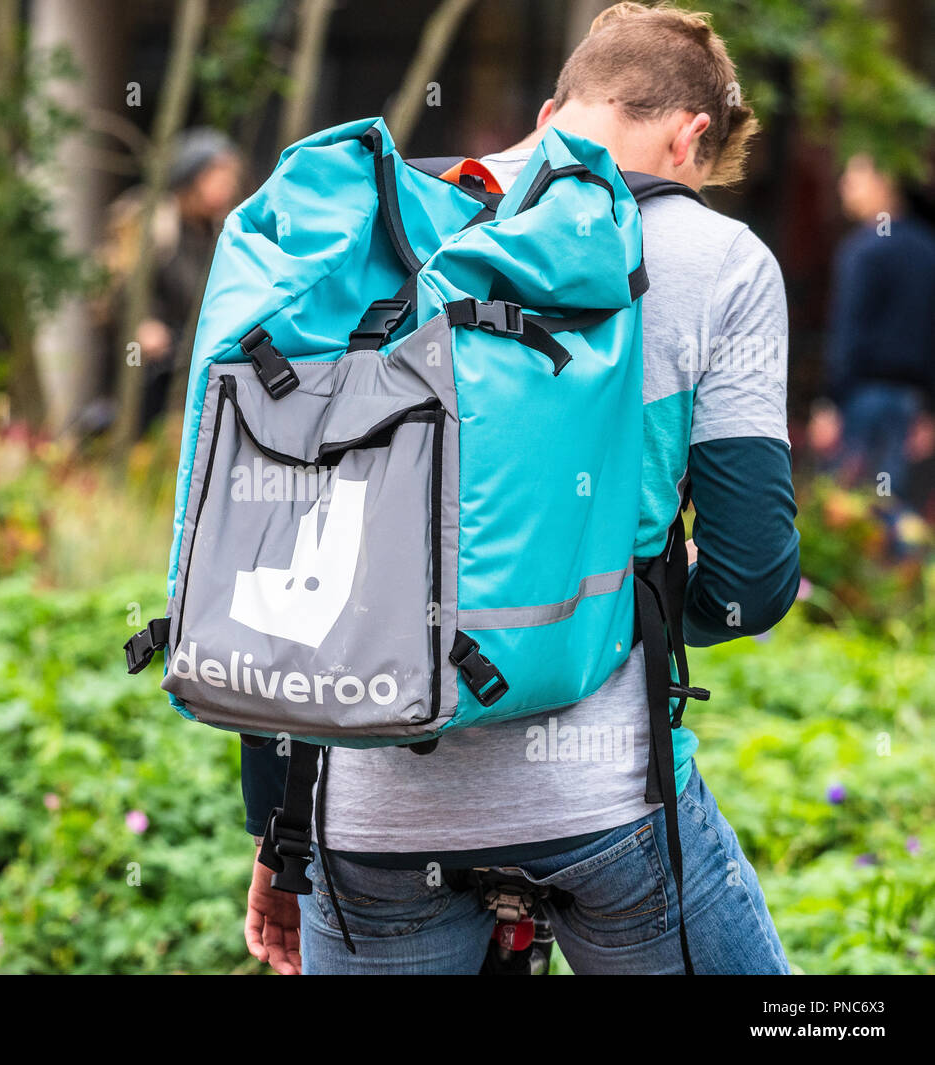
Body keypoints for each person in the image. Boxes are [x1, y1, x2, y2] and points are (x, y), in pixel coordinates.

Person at [243, 1, 801, 975]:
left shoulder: (376, 225)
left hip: (366, 809)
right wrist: (634, 614)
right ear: (692, 134)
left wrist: (279, 831)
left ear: (552, 110)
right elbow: (754, 576)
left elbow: (275, 541)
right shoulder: (722, 262)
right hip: (600, 806)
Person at [91, 128, 243, 434]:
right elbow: (114, 282)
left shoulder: (222, 229)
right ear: (193, 176)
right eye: (219, 176)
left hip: (193, 354)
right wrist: (142, 323)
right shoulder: (151, 218)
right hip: (144, 357)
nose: (229, 186)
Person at [810, 153, 935, 507]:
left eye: (853, 177)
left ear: (885, 181)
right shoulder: (927, 249)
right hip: (909, 403)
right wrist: (929, 410)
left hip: (860, 401)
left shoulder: (864, 248)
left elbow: (847, 333)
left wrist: (830, 402)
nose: (844, 187)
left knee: (847, 512)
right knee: (893, 514)